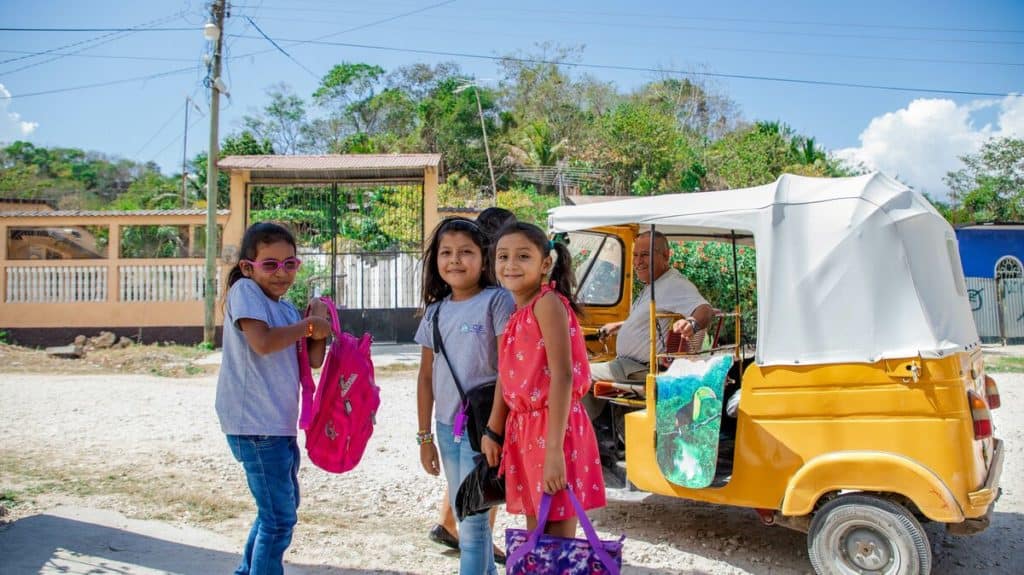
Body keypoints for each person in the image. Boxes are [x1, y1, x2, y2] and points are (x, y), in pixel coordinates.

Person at [215, 222, 333, 575]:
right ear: (248, 267)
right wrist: (309, 325)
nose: (281, 273)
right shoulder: (246, 291)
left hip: (276, 425)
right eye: (270, 264)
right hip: (254, 424)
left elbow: (312, 361)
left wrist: (317, 323)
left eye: (289, 264)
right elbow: (263, 343)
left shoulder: (284, 309)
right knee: (279, 518)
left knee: (279, 510)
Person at [482, 222, 606, 538]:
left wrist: (554, 453)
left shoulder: (547, 304)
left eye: (523, 256)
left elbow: (563, 376)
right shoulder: (517, 311)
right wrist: (494, 430)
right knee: (538, 539)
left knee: (558, 544)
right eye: (502, 256)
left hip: (555, 429)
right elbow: (507, 375)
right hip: (526, 431)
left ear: (545, 264)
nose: (510, 265)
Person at [415, 217, 516, 575]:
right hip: (447, 429)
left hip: (483, 430)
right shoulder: (435, 311)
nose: (455, 260)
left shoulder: (498, 301)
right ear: (436, 261)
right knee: (465, 514)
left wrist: (494, 430)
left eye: (465, 252)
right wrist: (425, 437)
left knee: (473, 525)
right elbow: (426, 376)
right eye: (446, 253)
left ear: (484, 259)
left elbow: (508, 370)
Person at [589, 230, 714, 387]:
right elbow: (648, 320)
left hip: (640, 369)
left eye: (645, 255)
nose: (638, 261)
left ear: (666, 256)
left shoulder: (674, 283)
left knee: (575, 374)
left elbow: (705, 309)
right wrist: (619, 326)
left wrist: (692, 323)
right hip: (627, 365)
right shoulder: (653, 284)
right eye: (635, 255)